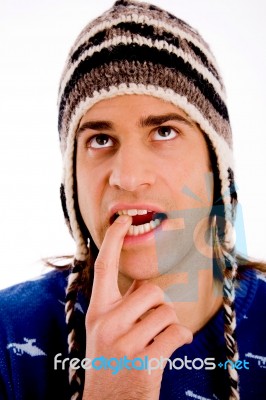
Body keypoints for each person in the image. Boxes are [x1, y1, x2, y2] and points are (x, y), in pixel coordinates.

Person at [0, 0, 265, 399]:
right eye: (100, 140)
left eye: (164, 132)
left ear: (217, 163)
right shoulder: (8, 334)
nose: (128, 177)